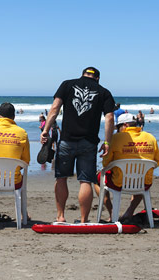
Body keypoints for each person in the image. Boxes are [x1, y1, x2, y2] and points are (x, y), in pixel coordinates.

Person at [40, 67, 115, 223]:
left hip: (67, 140)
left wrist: (46, 130)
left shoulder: (67, 84)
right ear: (98, 79)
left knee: (61, 178)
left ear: (82, 75)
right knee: (86, 181)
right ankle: (83, 220)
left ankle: (60, 216)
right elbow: (109, 119)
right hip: (89, 142)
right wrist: (107, 142)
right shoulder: (104, 92)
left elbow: (54, 108)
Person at [99, 113, 159, 222]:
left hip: (119, 182)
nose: (117, 130)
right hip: (143, 182)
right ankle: (129, 212)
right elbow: (156, 162)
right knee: (141, 180)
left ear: (125, 125)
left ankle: (112, 211)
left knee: (96, 179)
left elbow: (106, 164)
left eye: (118, 127)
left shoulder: (115, 138)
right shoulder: (151, 137)